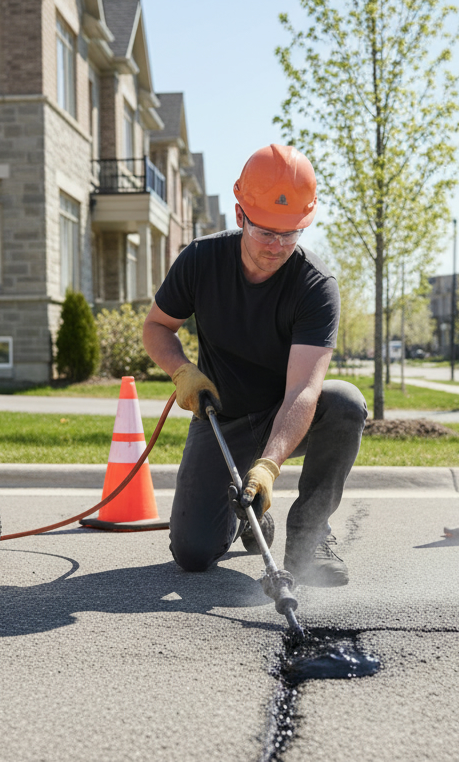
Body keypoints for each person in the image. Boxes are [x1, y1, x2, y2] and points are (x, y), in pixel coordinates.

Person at [142, 144, 366, 587]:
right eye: (266, 232)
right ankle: (247, 519)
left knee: (344, 403)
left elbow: (304, 389)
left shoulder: (315, 287)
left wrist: (268, 465)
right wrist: (182, 370)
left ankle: (309, 537)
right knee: (192, 554)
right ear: (241, 215)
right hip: (221, 415)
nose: (277, 246)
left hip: (286, 414)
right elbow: (156, 327)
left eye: (291, 234)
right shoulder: (201, 260)